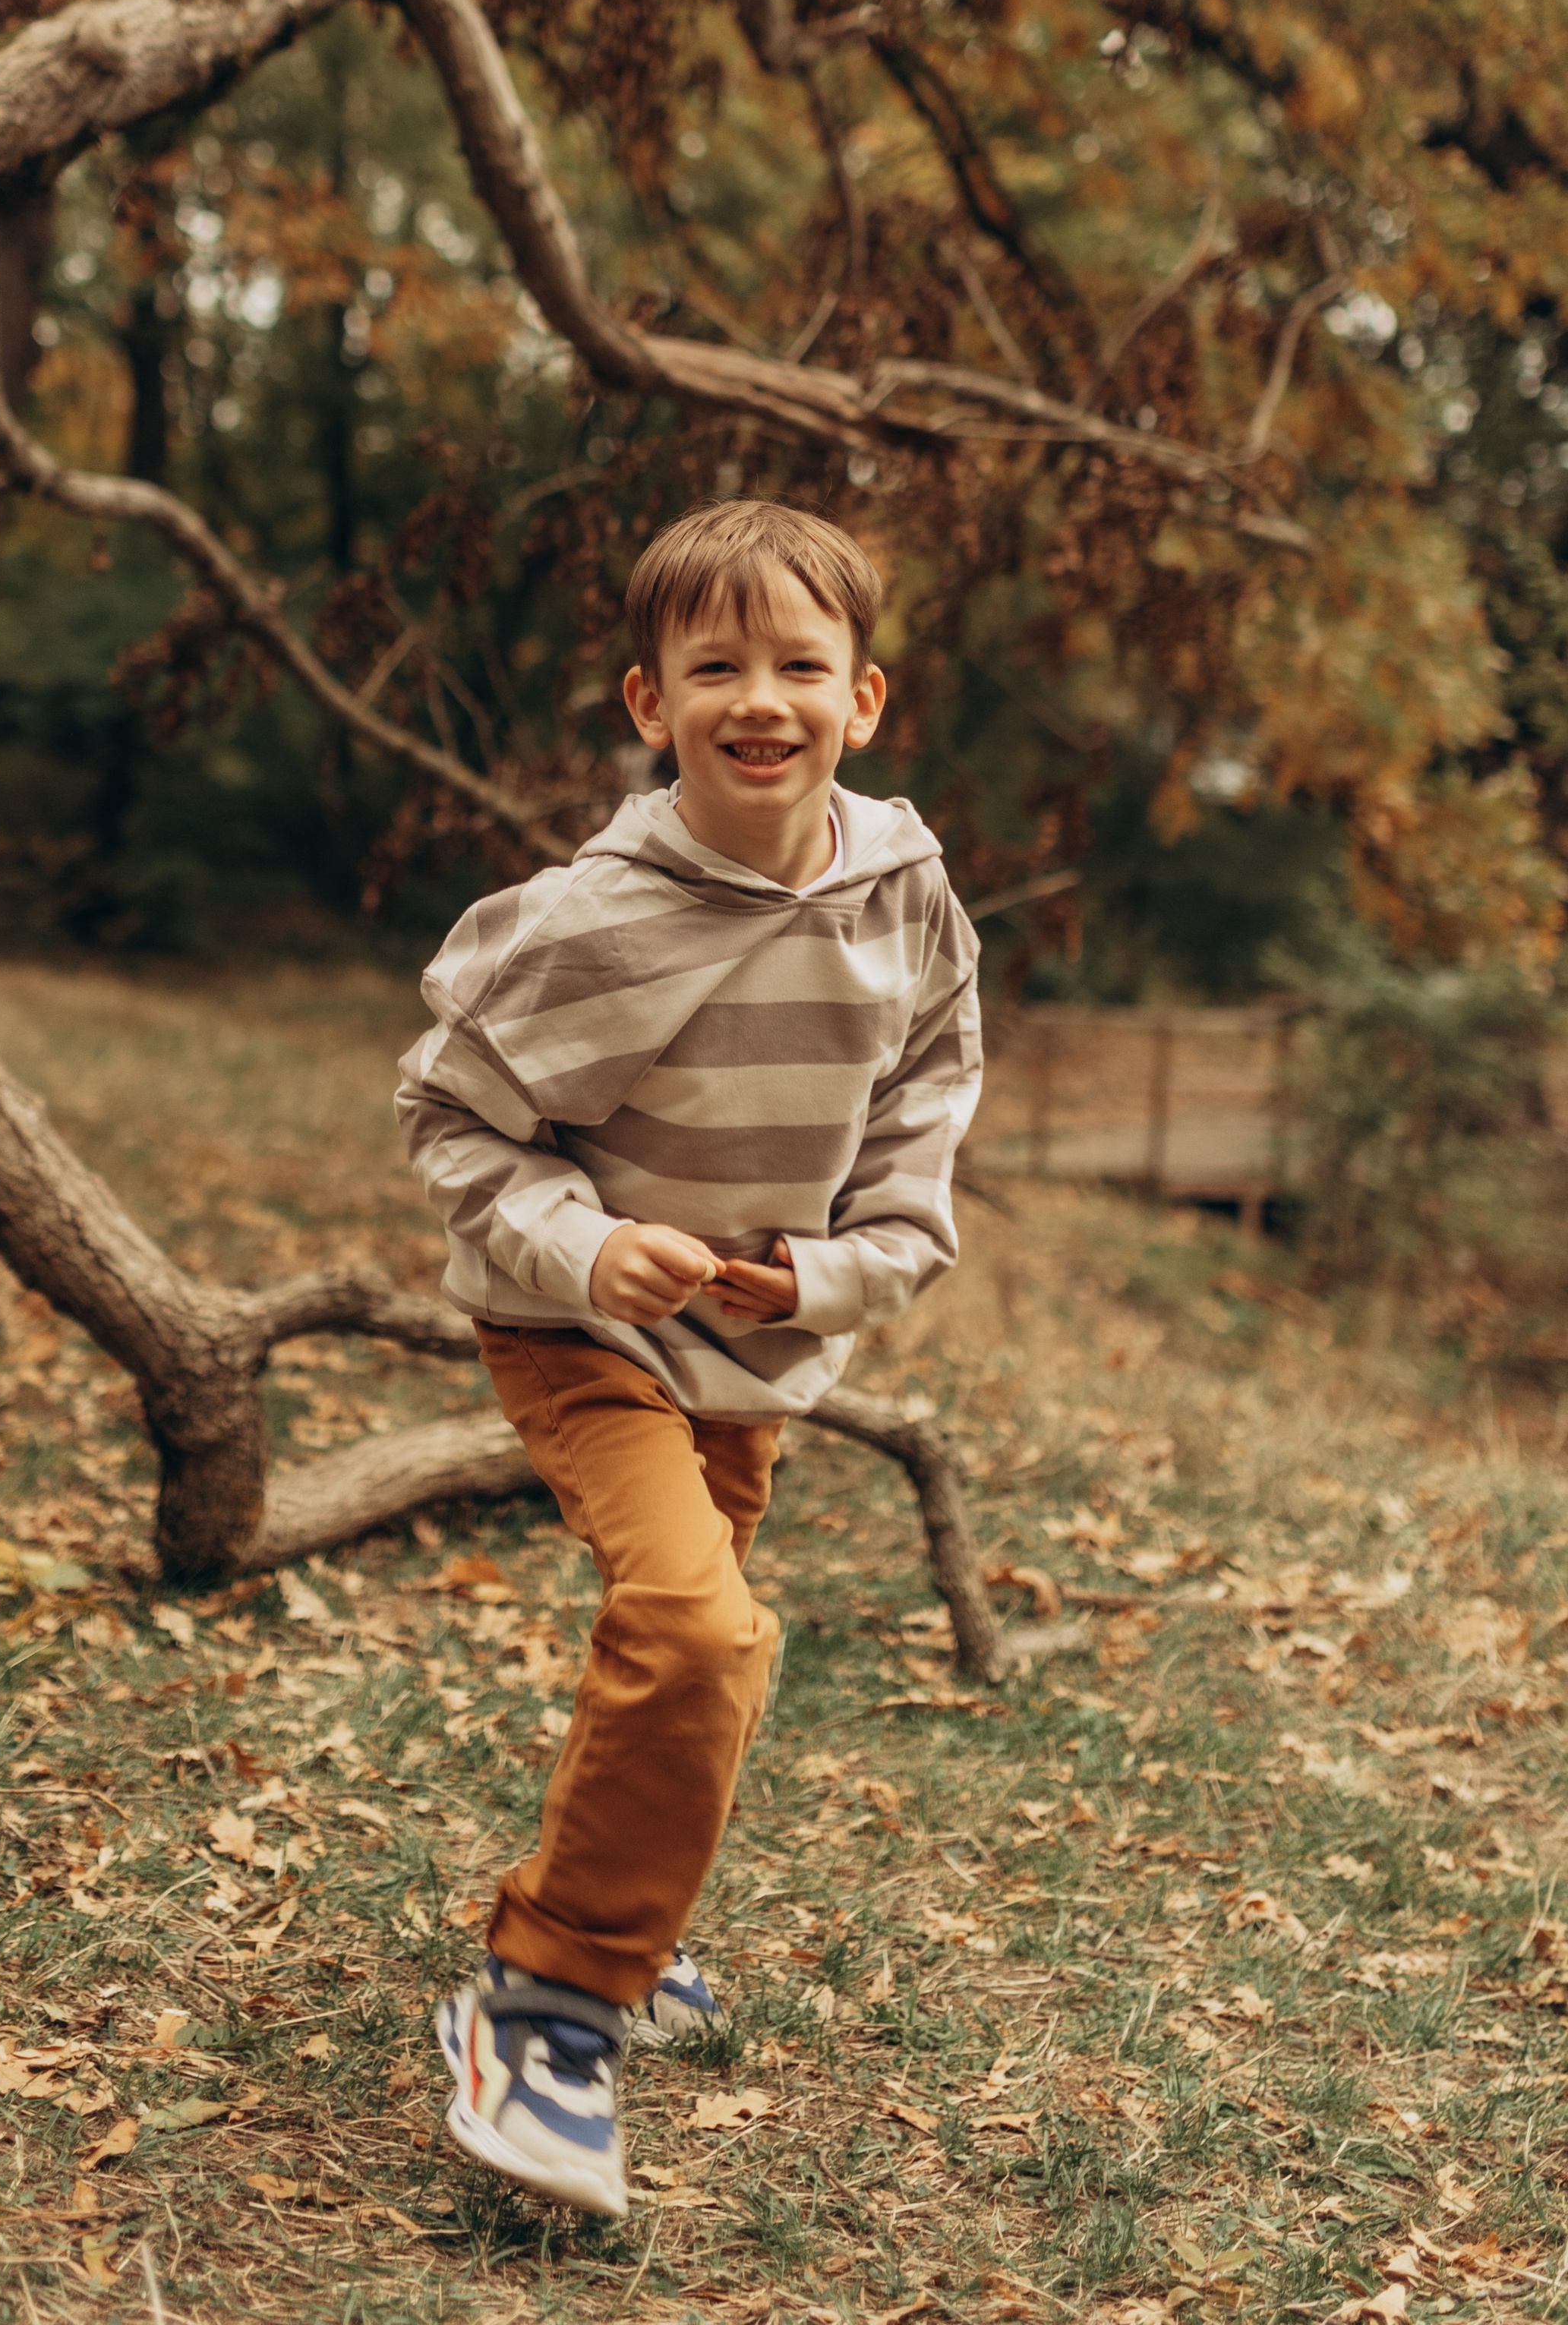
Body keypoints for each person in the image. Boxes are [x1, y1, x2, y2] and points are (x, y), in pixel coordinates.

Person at [395, 497, 983, 2218]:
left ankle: (611, 1936)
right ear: (647, 702)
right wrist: (585, 1245)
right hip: (577, 1331)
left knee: (695, 1654)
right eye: (711, 663)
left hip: (753, 1349)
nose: (758, 697)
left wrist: (823, 1277)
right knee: (692, 1624)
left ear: (860, 701)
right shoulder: (590, 919)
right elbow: (449, 1117)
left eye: (798, 664)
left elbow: (923, 1124)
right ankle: (547, 2009)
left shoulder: (905, 899)